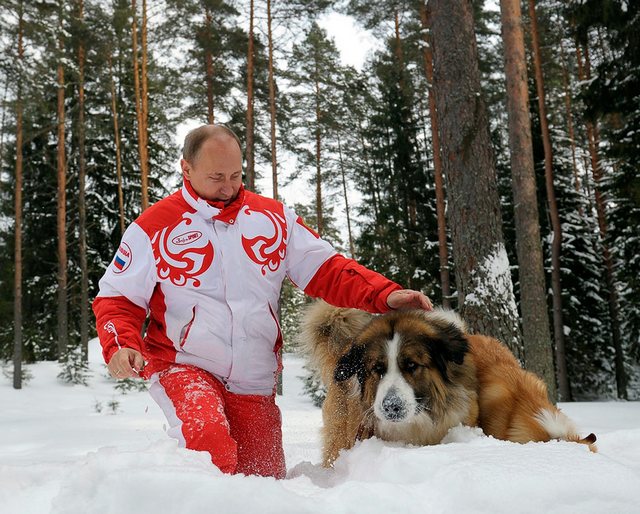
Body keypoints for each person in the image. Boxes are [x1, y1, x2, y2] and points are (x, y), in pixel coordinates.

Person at [93, 124, 433, 479]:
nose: (228, 187)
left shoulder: (273, 219)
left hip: (253, 377)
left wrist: (384, 294)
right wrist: (119, 344)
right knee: (208, 446)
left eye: (236, 175)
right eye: (216, 177)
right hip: (184, 365)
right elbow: (118, 297)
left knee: (263, 480)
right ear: (186, 169)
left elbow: (327, 269)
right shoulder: (154, 227)